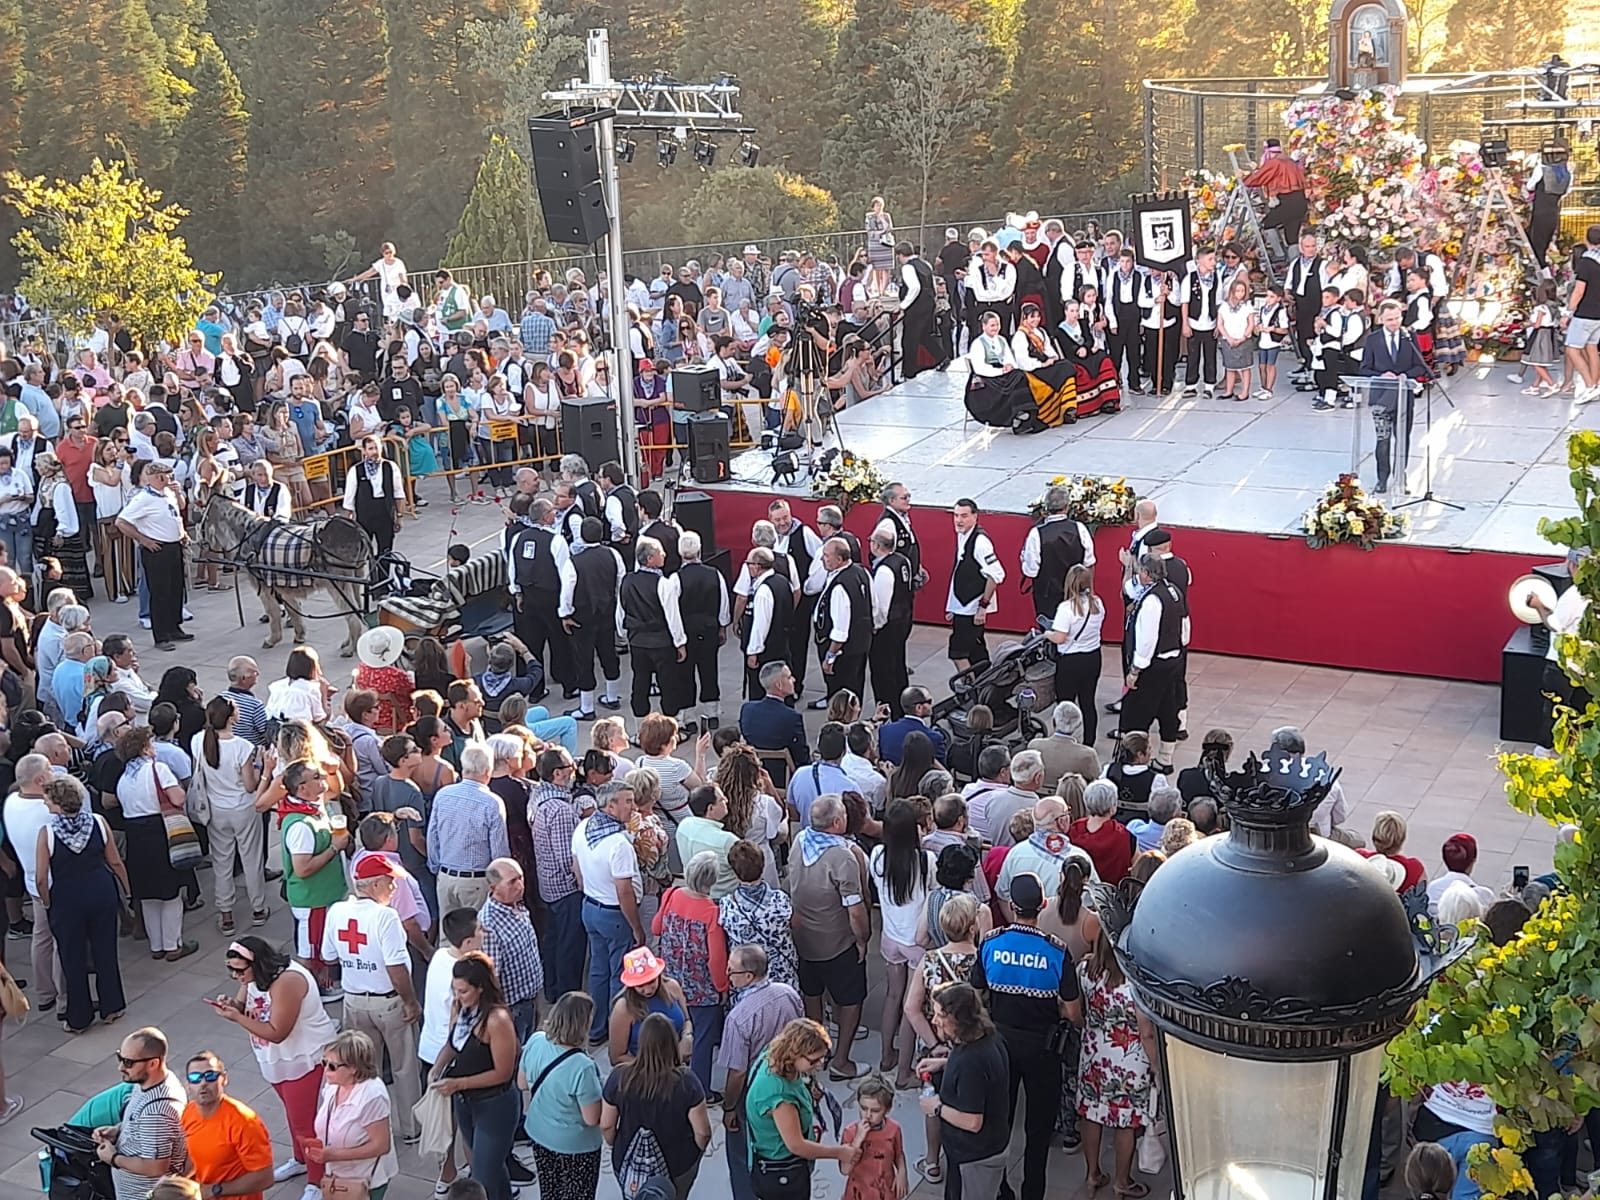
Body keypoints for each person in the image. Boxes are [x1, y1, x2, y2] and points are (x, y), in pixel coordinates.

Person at [970, 872, 1081, 1200]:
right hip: (1043, 1050)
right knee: (1038, 1128)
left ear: (1012, 907)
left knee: (1000, 1121)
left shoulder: (991, 944)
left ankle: (1001, 1190)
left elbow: (975, 997)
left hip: (1000, 1045)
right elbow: (1074, 1013)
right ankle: (1033, 1191)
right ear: (1043, 906)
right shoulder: (1056, 953)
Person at [209, 936, 338, 1196]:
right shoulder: (253, 977)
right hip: (275, 1058)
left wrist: (236, 1017)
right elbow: (244, 1005)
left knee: (305, 1123)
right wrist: (231, 1006)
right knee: (292, 1115)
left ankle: (316, 1182)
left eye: (239, 970)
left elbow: (278, 1031)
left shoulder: (288, 980)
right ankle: (300, 1161)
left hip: (302, 1057)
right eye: (230, 969)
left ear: (257, 964)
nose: (235, 976)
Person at [35, 772, 128, 1031]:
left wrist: (46, 902)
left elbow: (42, 877)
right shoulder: (98, 822)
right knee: (105, 951)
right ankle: (112, 1006)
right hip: (101, 892)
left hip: (67, 899)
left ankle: (78, 1017)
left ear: (57, 802)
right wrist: (126, 889)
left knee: (72, 957)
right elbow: (115, 861)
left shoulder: (48, 833)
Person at [788, 793, 871, 1079]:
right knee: (851, 1000)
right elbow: (856, 910)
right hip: (837, 943)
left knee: (812, 995)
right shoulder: (842, 856)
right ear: (837, 822)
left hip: (802, 939)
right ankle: (841, 1061)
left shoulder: (799, 841)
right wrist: (862, 939)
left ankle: (815, 1055)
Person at [429, 951, 522, 1200]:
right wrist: (438, 1066)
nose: (457, 996)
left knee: (482, 1175)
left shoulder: (497, 1019)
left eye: (463, 991)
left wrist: (458, 1083)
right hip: (465, 1103)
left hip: (494, 1105)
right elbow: (453, 1044)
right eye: (455, 990)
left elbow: (503, 1073)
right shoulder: (460, 1008)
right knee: (491, 1170)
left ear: (480, 988)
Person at [1076, 921, 1158, 1198]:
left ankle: (1092, 1174)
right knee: (1126, 1122)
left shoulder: (1084, 972)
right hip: (1130, 1062)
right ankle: (1122, 1181)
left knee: (1091, 1114)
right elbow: (1146, 1032)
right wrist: (1157, 1068)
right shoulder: (1137, 986)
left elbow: (1077, 1008)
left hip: (1094, 1056)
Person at [601, 1011, 712, 1200]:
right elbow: (702, 1132)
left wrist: (616, 1144)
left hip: (629, 1158)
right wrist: (696, 1152)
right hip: (678, 1163)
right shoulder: (687, 1081)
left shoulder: (620, 1077)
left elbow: (606, 1124)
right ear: (672, 1042)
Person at [744, 1017, 859, 1197]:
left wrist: (806, 1089)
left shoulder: (772, 1056)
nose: (819, 1065)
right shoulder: (778, 1096)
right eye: (813, 1061)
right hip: (783, 1172)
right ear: (793, 1053)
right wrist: (840, 1152)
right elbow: (797, 1145)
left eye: (822, 1058)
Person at [918, 981, 1011, 1199]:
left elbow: (972, 1121)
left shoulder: (971, 1062)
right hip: (979, 1150)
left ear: (958, 1019)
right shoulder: (987, 1039)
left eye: (940, 1014)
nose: (934, 1020)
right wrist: (944, 1064)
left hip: (975, 1157)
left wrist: (936, 1107)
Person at [114, 723, 197, 961]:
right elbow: (177, 797)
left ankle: (157, 946)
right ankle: (174, 945)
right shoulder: (157, 769)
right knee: (170, 892)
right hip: (161, 831)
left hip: (136, 835)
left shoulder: (123, 778)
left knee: (148, 892)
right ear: (144, 749)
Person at [870, 798, 938, 1087]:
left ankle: (886, 1056)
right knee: (913, 1006)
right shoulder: (925, 861)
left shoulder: (876, 855)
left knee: (892, 998)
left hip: (889, 937)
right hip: (916, 941)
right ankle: (904, 1073)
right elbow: (932, 895)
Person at [575, 780, 649, 1041]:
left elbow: (577, 868)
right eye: (627, 801)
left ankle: (596, 1030)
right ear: (610, 805)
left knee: (598, 969)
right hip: (614, 914)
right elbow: (625, 891)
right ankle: (619, 1031)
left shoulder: (583, 827)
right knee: (619, 974)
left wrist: (590, 889)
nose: (633, 806)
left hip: (590, 907)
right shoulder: (619, 844)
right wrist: (637, 927)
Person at [653, 851, 730, 1092]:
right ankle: (699, 1091)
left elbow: (656, 928)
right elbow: (716, 958)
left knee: (673, 1030)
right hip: (701, 988)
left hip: (670, 981)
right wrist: (722, 987)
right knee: (702, 1039)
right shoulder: (711, 912)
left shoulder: (671, 894)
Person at [520, 991, 606, 1200]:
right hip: (576, 1147)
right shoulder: (583, 1067)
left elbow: (522, 1083)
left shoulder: (536, 1040)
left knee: (550, 1192)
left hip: (539, 1134)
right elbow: (592, 1118)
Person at [94, 1027, 190, 1199]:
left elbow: (156, 1167)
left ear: (153, 1064)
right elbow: (141, 1124)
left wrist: (113, 1158)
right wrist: (118, 1130)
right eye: (120, 1058)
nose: (121, 1067)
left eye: (128, 1062)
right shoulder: (149, 1083)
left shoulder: (157, 1113)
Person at [309, 1030, 400, 1199]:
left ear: (354, 1068)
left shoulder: (372, 1096)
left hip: (364, 1180)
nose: (326, 1070)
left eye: (332, 1066)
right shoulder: (334, 1084)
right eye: (324, 1062)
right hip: (337, 1174)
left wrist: (332, 1155)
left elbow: (381, 1145)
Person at [179, 1050, 274, 1200]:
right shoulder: (189, 1112)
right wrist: (178, 1181)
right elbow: (195, 1154)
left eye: (210, 1076)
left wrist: (215, 1190)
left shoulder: (245, 1122)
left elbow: (265, 1177)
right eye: (195, 1078)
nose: (203, 1083)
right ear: (188, 1084)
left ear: (223, 1079)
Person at [426, 742, 509, 913]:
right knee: (476, 935)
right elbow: (499, 850)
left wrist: (436, 868)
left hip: (445, 877)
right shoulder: (492, 802)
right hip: (476, 882)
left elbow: (432, 836)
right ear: (488, 770)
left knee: (448, 934)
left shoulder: (443, 795)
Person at [115, 459, 188, 650]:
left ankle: (174, 626)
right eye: (165, 476)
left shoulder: (167, 494)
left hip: (174, 545)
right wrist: (143, 540)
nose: (169, 479)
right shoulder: (143, 499)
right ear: (157, 477)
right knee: (160, 592)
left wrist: (182, 532)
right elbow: (121, 522)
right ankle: (161, 635)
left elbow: (179, 509)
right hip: (157, 549)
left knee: (175, 589)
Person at [1361, 299, 1429, 493]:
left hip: (1403, 396)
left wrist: (1405, 375)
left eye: (1397, 318)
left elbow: (1419, 365)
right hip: (1381, 398)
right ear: (1381, 319)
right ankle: (1382, 479)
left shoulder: (1409, 336)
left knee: (1403, 439)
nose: (1394, 323)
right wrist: (1381, 375)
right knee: (1383, 440)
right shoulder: (1373, 340)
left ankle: (1401, 477)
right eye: (1390, 319)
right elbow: (1364, 368)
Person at [621, 536, 688, 719]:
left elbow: (622, 609)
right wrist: (680, 642)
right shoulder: (664, 584)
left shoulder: (627, 580)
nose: (664, 554)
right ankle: (670, 725)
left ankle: (640, 726)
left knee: (640, 681)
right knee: (668, 684)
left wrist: (624, 634)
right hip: (661, 643)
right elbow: (672, 616)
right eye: (660, 552)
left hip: (637, 641)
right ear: (650, 559)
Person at [478, 857, 544, 1039]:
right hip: (514, 1008)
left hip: (531, 998)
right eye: (512, 882)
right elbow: (492, 977)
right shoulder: (489, 925)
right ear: (494, 888)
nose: (520, 885)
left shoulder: (516, 905)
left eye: (520, 878)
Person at [719, 839, 799, 991]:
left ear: (734, 872)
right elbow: (796, 924)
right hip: (782, 977)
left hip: (748, 979)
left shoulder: (728, 906)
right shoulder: (780, 899)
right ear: (762, 867)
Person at [946, 499, 1004, 672]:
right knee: (976, 651)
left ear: (975, 516)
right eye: (956, 516)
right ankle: (985, 688)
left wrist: (982, 606)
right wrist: (953, 606)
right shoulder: (963, 535)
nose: (959, 520)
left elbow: (996, 574)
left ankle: (969, 691)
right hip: (962, 606)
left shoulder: (980, 542)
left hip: (971, 608)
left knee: (958, 652)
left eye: (964, 516)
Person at [341, 435, 403, 557]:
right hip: (365, 515)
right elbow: (349, 498)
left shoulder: (391, 467)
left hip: (385, 513)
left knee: (386, 552)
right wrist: (349, 519)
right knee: (364, 552)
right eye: (370, 449)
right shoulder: (355, 470)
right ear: (364, 451)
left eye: (376, 448)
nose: (374, 452)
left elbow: (398, 493)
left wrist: (399, 516)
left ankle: (384, 576)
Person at [1068, 779, 1135, 885]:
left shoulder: (1072, 831)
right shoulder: (1125, 836)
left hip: (1077, 894)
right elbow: (1138, 866)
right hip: (1113, 896)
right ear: (1112, 809)